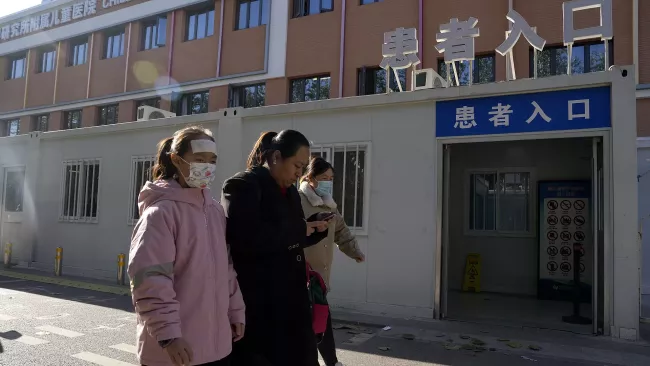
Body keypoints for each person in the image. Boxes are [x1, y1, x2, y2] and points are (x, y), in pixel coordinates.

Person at [128, 126, 245, 366]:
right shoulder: (160, 213)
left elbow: (226, 269)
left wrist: (235, 311)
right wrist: (168, 336)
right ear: (176, 160)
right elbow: (150, 279)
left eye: (212, 160)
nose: (207, 166)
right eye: (199, 159)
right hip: (174, 352)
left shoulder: (214, 211)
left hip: (217, 348)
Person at [221, 130, 331, 366]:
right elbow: (246, 239)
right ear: (276, 157)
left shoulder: (290, 190)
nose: (299, 173)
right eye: (297, 165)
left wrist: (314, 229)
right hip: (261, 309)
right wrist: (301, 230)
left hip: (295, 305)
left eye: (303, 167)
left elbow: (291, 238)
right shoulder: (242, 185)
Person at [299, 157, 366, 366]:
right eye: (323, 178)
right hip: (303, 274)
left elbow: (341, 231)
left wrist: (355, 251)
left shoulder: (329, 203)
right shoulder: (297, 200)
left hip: (321, 274)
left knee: (320, 318)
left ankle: (330, 361)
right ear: (310, 178)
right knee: (315, 322)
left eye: (331, 178)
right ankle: (329, 361)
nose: (328, 182)